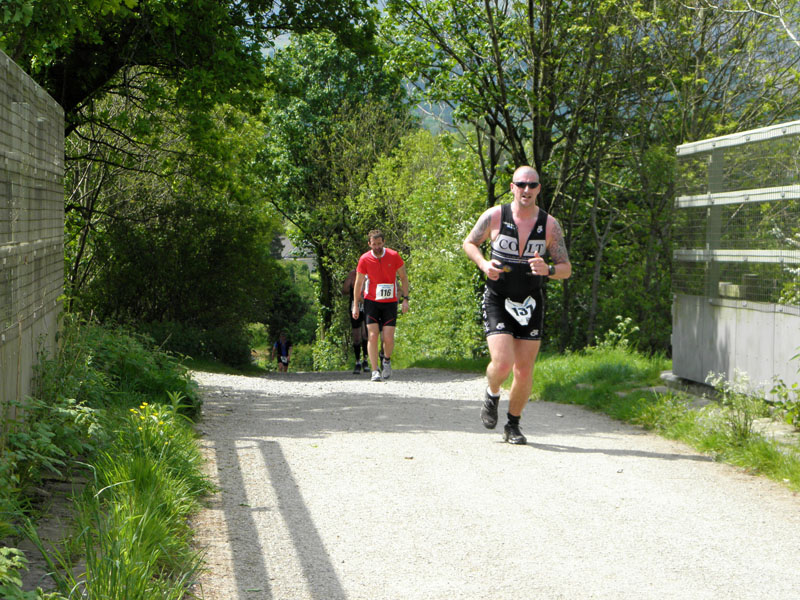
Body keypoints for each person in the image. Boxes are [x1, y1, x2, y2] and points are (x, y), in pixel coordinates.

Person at [462, 166, 572, 444]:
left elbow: (566, 269)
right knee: (502, 363)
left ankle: (513, 424)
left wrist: (547, 269)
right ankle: (492, 392)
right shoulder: (495, 215)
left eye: (532, 185)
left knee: (524, 369)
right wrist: (484, 263)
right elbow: (469, 243)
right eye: (521, 184)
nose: (526, 190)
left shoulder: (549, 225)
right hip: (498, 297)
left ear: (538, 189)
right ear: (512, 187)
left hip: (531, 301)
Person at [352, 229, 410, 382]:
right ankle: (374, 370)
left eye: (379, 244)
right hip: (371, 301)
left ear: (383, 242)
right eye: (374, 244)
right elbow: (358, 283)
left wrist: (405, 299)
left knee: (388, 338)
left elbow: (403, 277)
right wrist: (355, 305)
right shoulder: (364, 259)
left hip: (390, 302)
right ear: (369, 244)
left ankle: (386, 360)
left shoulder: (394, 255)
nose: (377, 247)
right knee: (372, 335)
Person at [342, 269, 369, 374]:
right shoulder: (353, 274)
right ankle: (357, 361)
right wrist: (349, 281)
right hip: (355, 306)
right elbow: (344, 291)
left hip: (367, 305)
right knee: (357, 336)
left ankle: (365, 360)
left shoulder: (370, 274)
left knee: (365, 334)